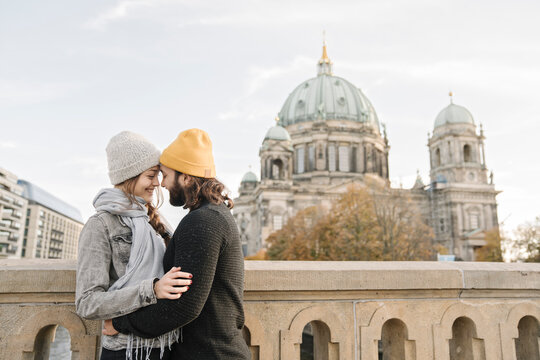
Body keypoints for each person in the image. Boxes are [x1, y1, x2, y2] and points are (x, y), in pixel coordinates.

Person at [105, 129, 250, 360]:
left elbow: (183, 307)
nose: (161, 184)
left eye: (165, 175)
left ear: (187, 177)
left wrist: (121, 323)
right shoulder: (215, 214)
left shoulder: (202, 222)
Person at [76, 131, 193, 360]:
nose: (158, 183)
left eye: (158, 175)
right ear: (130, 176)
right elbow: (87, 303)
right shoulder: (100, 225)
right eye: (151, 176)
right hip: (126, 351)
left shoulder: (155, 221)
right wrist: (152, 289)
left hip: (168, 346)